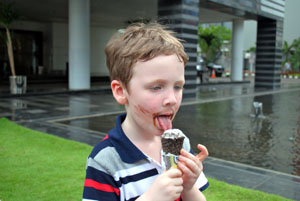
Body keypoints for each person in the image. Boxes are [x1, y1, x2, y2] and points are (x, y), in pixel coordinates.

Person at [82, 22, 209, 201]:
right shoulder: (106, 161)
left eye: (178, 87)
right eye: (157, 87)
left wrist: (188, 187)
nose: (172, 99)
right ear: (121, 91)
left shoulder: (178, 144)